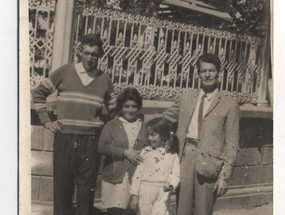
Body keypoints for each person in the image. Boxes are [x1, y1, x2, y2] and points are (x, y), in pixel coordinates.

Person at [32, 34, 117, 215]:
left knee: (86, 192)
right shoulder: (64, 72)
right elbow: (38, 93)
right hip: (65, 138)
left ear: (100, 55)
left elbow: (114, 112)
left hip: (91, 141)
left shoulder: (105, 80)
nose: (90, 58)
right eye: (86, 53)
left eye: (94, 54)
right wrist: (47, 122)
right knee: (63, 189)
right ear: (79, 52)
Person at [163, 53, 240, 215]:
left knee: (203, 211)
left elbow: (232, 144)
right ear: (198, 74)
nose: (207, 75)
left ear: (219, 73)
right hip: (184, 159)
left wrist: (224, 177)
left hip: (209, 163)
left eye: (211, 71)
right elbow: (164, 120)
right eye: (203, 71)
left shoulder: (229, 105)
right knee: (181, 210)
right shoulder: (186, 98)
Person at [98, 87, 148, 215]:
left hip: (135, 178)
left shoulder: (144, 127)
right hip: (114, 178)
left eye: (134, 106)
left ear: (139, 108)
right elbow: (102, 146)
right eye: (126, 106)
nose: (130, 110)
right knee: (114, 211)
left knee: (131, 211)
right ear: (120, 107)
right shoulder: (111, 125)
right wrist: (125, 153)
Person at [129, 117, 180, 215]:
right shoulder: (145, 152)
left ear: (164, 136)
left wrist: (171, 185)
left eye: (153, 135)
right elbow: (138, 175)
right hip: (145, 189)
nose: (149, 138)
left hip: (163, 191)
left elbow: (176, 174)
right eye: (148, 135)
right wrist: (134, 195)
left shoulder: (172, 154)